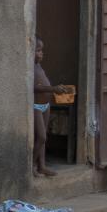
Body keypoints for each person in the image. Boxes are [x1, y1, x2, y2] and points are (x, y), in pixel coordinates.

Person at [33, 36, 68, 177]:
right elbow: (34, 87)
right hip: (35, 106)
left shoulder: (39, 66)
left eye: (42, 50)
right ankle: (31, 165)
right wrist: (52, 89)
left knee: (44, 137)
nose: (42, 54)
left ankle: (42, 166)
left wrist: (54, 90)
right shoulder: (29, 68)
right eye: (38, 51)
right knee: (41, 137)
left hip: (45, 105)